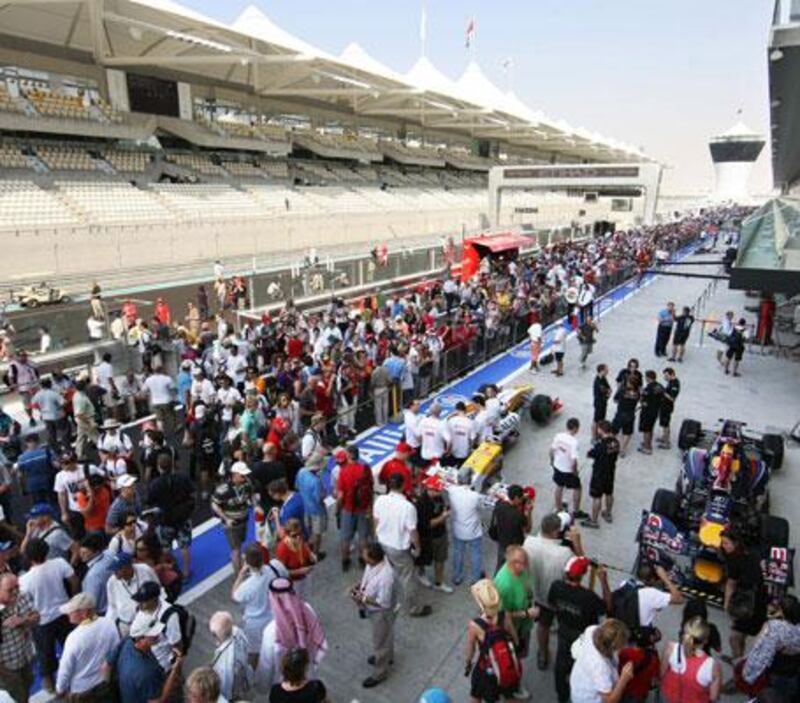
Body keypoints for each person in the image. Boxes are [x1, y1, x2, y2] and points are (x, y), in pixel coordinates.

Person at [523, 513, 583, 671]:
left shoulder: (528, 542)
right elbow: (580, 569)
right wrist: (577, 544)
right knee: (561, 626)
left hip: (537, 595)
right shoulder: (564, 553)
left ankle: (542, 654)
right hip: (559, 598)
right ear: (557, 532)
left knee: (542, 626)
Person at [549, 557, 611, 703]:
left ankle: (562, 696)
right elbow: (607, 607)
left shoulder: (556, 586)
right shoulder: (589, 597)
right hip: (583, 638)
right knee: (582, 667)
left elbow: (552, 604)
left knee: (561, 665)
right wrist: (603, 581)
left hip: (564, 630)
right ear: (583, 575)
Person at [19, 538, 78, 691]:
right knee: (70, 647)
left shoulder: (24, 580)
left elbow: (25, 604)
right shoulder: (59, 563)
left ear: (29, 557)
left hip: (42, 621)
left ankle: (50, 686)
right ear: (46, 551)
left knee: (45, 654)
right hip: (64, 613)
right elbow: (74, 580)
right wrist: (73, 600)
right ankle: (75, 675)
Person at [373, 473, 431, 617]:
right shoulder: (407, 507)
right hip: (398, 547)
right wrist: (417, 548)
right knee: (407, 578)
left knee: (389, 573)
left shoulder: (380, 500)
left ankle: (389, 600)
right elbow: (412, 531)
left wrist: (378, 535)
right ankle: (414, 608)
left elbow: (376, 521)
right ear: (403, 485)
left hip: (383, 542)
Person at [255, 578, 327, 693]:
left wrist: (263, 687)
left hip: (284, 683)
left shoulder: (271, 631)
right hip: (307, 672)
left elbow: (266, 665)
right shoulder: (308, 610)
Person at [464, 578, 520, 703]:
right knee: (509, 696)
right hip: (506, 665)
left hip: (486, 670)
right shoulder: (504, 616)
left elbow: (470, 650)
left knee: (476, 696)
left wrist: (468, 663)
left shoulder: (475, 625)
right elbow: (515, 639)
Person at [56, 592, 120, 702]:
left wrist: (60, 689)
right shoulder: (109, 623)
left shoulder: (74, 638)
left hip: (83, 690)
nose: (68, 614)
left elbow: (65, 669)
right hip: (106, 683)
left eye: (72, 611)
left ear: (84, 613)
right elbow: (115, 651)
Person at [351, 542, 398, 689]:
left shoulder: (386, 577)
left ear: (373, 559)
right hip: (374, 609)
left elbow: (383, 603)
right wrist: (360, 586)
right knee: (386, 635)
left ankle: (380, 672)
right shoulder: (374, 564)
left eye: (365, 556)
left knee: (380, 642)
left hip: (381, 613)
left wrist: (363, 598)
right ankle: (388, 657)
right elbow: (368, 577)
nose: (362, 557)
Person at [232, 543, 287, 666]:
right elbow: (285, 577)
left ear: (246, 563)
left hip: (254, 625)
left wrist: (240, 575)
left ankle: (254, 677)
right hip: (274, 619)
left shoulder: (247, 586)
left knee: (254, 654)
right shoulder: (275, 567)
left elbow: (234, 595)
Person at [494, 545, 537, 698]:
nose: (526, 566)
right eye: (523, 563)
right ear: (512, 563)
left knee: (518, 657)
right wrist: (526, 613)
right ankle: (514, 687)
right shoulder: (504, 585)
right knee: (513, 660)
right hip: (513, 631)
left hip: (524, 624)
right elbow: (501, 616)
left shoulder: (519, 570)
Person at [110, 615, 184, 703]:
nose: (158, 634)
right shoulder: (146, 673)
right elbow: (158, 701)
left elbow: (107, 664)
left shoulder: (128, 642)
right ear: (140, 638)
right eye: (152, 634)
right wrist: (174, 670)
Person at [720, 528, 768, 662]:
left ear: (735, 543)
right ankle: (739, 660)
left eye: (726, 543)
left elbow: (731, 584)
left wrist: (726, 603)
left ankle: (738, 667)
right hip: (759, 599)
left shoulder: (735, 560)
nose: (723, 546)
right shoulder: (751, 553)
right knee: (742, 635)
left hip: (747, 603)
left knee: (734, 637)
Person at [147, 452, 196, 580]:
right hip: (182, 518)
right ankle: (186, 572)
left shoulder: (155, 484)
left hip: (164, 520)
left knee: (165, 548)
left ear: (159, 466)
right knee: (184, 547)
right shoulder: (182, 478)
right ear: (172, 465)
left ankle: (169, 570)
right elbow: (192, 494)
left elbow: (149, 501)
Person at [741, 595, 800, 697]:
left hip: (774, 673)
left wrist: (749, 673)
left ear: (781, 610)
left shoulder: (774, 626)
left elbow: (758, 648)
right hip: (794, 672)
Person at [569, 619, 635, 703]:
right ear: (612, 647)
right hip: (588, 699)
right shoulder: (600, 667)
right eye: (622, 645)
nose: (625, 646)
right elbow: (609, 701)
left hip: (579, 682)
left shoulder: (592, 630)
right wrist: (623, 679)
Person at [660, 616, 722, 703]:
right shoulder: (712, 665)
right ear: (705, 641)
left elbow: (662, 673)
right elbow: (713, 697)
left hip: (669, 695)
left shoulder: (670, 647)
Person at [211, 461, 256, 573]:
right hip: (231, 524)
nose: (245, 477)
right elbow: (214, 504)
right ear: (234, 475)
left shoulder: (247, 484)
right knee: (235, 550)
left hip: (244, 520)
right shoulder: (223, 489)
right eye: (242, 475)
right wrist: (226, 519)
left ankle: (239, 565)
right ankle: (239, 574)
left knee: (239, 546)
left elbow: (252, 495)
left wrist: (256, 506)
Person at [0, 573, 38, 703]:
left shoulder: (22, 596)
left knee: (27, 686)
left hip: (26, 657)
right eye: (10, 590)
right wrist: (5, 674)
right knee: (18, 696)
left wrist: (23, 620)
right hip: (7, 669)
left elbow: (36, 618)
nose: (15, 591)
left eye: (17, 587)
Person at [335, 445, 373, 573]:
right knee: (363, 537)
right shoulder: (365, 469)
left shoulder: (344, 471)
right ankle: (363, 559)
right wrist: (370, 507)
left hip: (348, 509)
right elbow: (371, 489)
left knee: (346, 538)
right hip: (362, 509)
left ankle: (345, 561)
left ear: (349, 455)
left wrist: (337, 509)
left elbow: (340, 496)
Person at [106, 552, 161, 638]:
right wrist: (109, 625)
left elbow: (158, 590)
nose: (114, 572)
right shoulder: (111, 582)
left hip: (150, 620)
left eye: (117, 569)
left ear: (128, 567)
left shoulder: (145, 570)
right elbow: (112, 606)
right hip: (126, 625)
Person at [446, 471, 484, 586]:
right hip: (474, 530)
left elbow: (449, 483)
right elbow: (481, 507)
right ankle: (476, 578)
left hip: (458, 529)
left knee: (458, 553)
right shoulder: (475, 496)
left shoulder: (452, 492)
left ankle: (457, 576)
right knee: (476, 554)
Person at [582, 421, 621, 528]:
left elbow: (589, 454)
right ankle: (608, 513)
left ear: (601, 430)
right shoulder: (616, 442)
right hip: (610, 472)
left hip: (599, 474)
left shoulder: (600, 446)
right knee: (609, 493)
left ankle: (594, 521)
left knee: (597, 497)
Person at [209, 610, 254, 701]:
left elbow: (226, 689)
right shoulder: (237, 631)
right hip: (243, 679)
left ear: (216, 636)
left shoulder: (226, 665)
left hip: (232, 692)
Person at [490, 484, 532, 572]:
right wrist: (528, 513)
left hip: (502, 541)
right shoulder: (518, 515)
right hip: (514, 545)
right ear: (516, 498)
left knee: (499, 566)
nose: (521, 501)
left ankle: (496, 582)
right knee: (512, 569)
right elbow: (527, 529)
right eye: (520, 498)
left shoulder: (499, 506)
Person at [550, 417, 587, 518]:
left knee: (559, 486)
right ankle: (576, 510)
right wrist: (575, 472)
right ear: (575, 428)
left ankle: (559, 508)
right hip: (568, 470)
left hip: (557, 466)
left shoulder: (558, 436)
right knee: (578, 488)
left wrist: (552, 461)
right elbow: (574, 460)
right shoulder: (574, 442)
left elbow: (552, 450)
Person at [294, 453, 328, 558]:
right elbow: (320, 499)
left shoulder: (301, 472)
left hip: (305, 506)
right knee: (317, 533)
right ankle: (316, 553)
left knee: (308, 530)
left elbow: (297, 486)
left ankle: (308, 548)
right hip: (317, 510)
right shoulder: (316, 481)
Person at [79, 532, 117, 615]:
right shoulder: (110, 554)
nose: (80, 555)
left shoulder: (93, 575)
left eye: (85, 553)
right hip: (114, 603)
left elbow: (91, 603)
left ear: (96, 551)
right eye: (80, 552)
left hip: (101, 612)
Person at [14, 433, 56, 504]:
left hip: (33, 485)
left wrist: (22, 489)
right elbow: (56, 465)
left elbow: (19, 475)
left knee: (39, 508)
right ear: (38, 441)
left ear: (26, 443)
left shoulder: (22, 458)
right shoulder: (47, 452)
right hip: (49, 482)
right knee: (53, 504)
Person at [612, 375, 640, 458]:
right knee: (627, 433)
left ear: (630, 383)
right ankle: (622, 450)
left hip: (620, 414)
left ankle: (612, 447)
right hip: (630, 415)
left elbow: (615, 400)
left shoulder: (622, 390)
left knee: (614, 431)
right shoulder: (637, 393)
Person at [637, 370, 663, 454]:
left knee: (646, 430)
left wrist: (641, 394)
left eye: (646, 377)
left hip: (647, 412)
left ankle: (647, 448)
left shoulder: (648, 388)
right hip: (655, 411)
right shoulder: (660, 386)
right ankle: (648, 443)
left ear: (648, 378)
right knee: (650, 428)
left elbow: (642, 401)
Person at [657, 368, 680, 449]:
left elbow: (672, 398)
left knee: (666, 424)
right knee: (664, 424)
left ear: (672, 374)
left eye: (666, 376)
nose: (665, 377)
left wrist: (663, 392)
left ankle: (667, 443)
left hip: (667, 406)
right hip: (664, 405)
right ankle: (664, 437)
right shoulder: (671, 382)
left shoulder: (675, 384)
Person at [592, 364, 611, 441]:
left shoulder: (603, 378)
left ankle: (599, 433)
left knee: (602, 419)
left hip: (604, 402)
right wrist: (607, 392)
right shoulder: (598, 381)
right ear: (601, 371)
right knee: (596, 420)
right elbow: (606, 390)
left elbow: (609, 389)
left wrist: (608, 392)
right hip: (599, 403)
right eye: (606, 370)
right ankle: (594, 437)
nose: (608, 371)